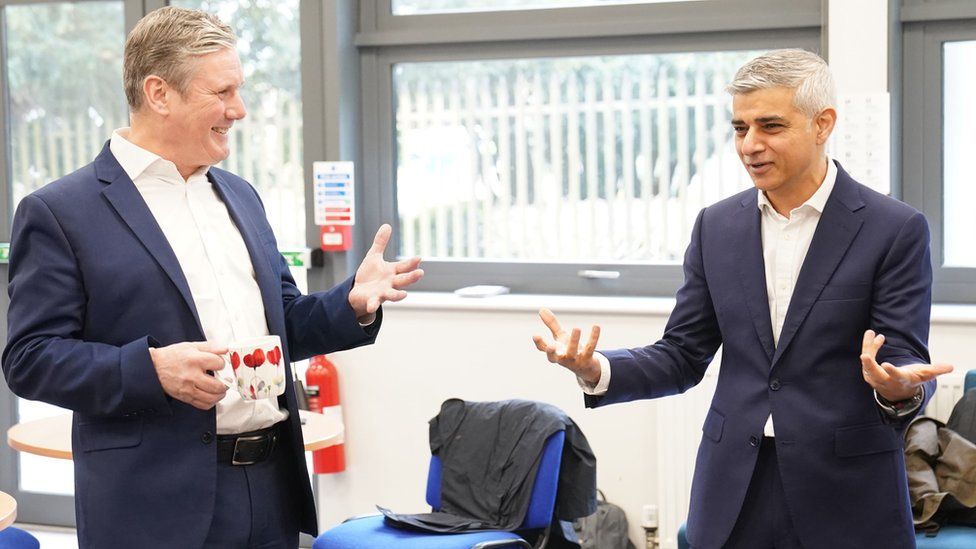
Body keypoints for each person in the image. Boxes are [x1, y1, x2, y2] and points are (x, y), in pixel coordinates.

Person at [2, 7, 422, 548]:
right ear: (159, 93)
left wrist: (352, 304)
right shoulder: (60, 211)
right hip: (152, 508)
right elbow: (30, 359)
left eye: (239, 90)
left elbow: (282, 322)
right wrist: (150, 369)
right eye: (222, 93)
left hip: (270, 490)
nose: (239, 110)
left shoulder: (240, 196)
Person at [533, 49, 953, 549]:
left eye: (770, 126)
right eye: (739, 128)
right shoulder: (717, 226)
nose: (750, 145)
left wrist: (899, 387)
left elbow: (904, 361)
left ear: (823, 125)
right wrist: (595, 367)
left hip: (847, 493)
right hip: (734, 487)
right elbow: (683, 354)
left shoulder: (894, 228)